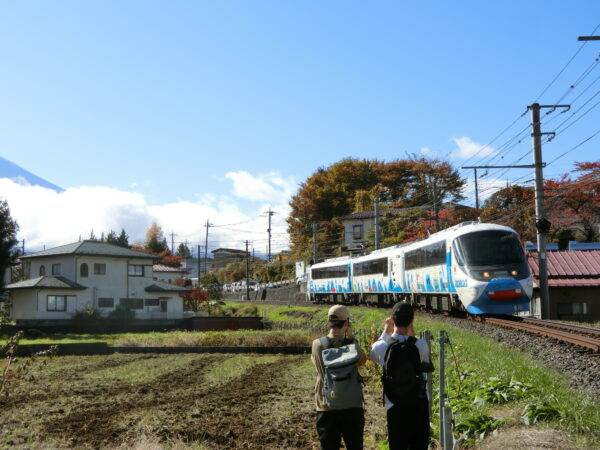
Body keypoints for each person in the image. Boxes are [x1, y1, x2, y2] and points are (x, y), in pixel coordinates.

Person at [369, 301, 432, 450]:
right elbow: (421, 358)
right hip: (418, 403)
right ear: (412, 321)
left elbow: (372, 354)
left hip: (394, 404)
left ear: (392, 319)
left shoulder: (382, 347)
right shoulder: (422, 345)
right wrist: (411, 330)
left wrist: (386, 331)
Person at [311, 304, 367, 450]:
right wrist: (351, 338)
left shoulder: (318, 345)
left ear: (329, 322)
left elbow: (319, 368)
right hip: (352, 405)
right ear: (347, 323)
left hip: (326, 405)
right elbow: (362, 361)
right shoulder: (351, 345)